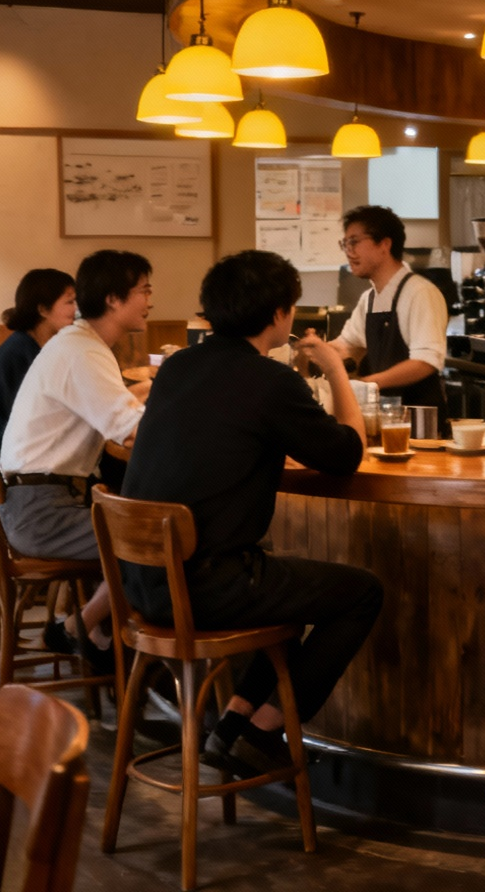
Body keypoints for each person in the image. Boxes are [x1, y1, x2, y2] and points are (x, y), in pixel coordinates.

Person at [121, 250, 379, 776]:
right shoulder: (269, 380)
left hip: (142, 585)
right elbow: (346, 454)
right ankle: (263, 732)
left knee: (284, 587)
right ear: (279, 313)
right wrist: (336, 369)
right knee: (361, 594)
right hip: (204, 589)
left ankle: (235, 723)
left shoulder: (178, 367)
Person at [0, 250, 153, 664]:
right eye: (144, 290)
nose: (150, 300)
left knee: (147, 535)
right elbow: (131, 431)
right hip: (42, 512)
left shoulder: (78, 344)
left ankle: (90, 632)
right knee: (151, 543)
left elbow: (114, 409)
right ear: (113, 299)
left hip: (36, 503)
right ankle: (82, 630)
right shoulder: (83, 351)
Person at [326, 205, 449, 414]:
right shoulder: (369, 299)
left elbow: (425, 362)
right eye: (345, 244)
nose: (349, 252)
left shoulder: (420, 292)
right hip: (387, 416)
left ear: (384, 244)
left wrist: (366, 385)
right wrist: (313, 351)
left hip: (420, 421)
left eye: (354, 242)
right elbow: (347, 346)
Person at [0, 269, 77, 463]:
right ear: (43, 310)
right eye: (70, 302)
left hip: (20, 449)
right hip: (9, 456)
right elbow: (34, 422)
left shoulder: (34, 346)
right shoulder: (20, 353)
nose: (77, 309)